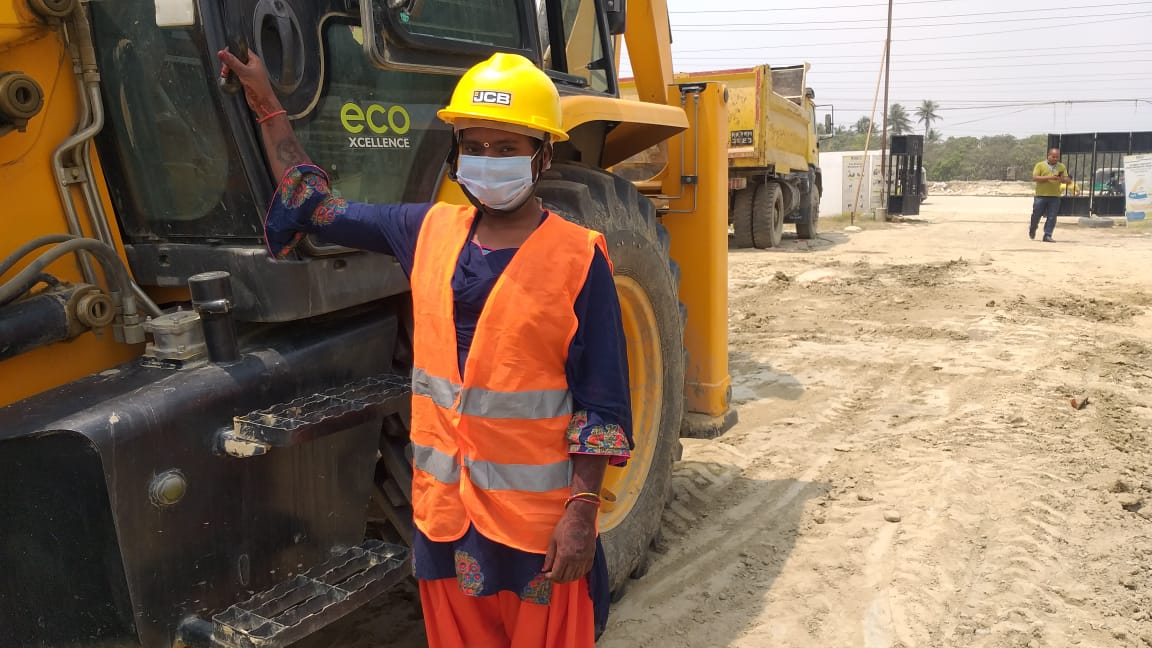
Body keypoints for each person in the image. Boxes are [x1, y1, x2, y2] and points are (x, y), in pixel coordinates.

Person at [218, 48, 633, 647]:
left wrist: (583, 513)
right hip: (446, 518)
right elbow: (314, 206)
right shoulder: (426, 230)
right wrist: (267, 106)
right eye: (476, 146)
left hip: (537, 528)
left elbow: (602, 402)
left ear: (541, 155)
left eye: (507, 147)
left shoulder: (579, 255)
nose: (488, 161)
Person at [1030, 147, 1070, 242]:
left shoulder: (1061, 167)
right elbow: (1035, 178)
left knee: (1052, 217)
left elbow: (1068, 180)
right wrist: (1050, 177)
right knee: (1036, 215)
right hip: (1041, 195)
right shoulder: (1040, 165)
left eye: (1057, 157)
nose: (1055, 159)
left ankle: (1047, 235)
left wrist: (1061, 179)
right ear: (1048, 156)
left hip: (1055, 196)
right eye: (1053, 157)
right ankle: (1033, 227)